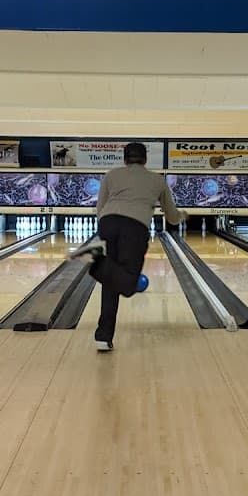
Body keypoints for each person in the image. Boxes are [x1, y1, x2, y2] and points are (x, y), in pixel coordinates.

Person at [71, 142, 183, 352]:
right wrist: (182, 216)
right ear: (145, 160)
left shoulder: (111, 175)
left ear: (124, 159)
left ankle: (104, 336)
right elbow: (172, 217)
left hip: (108, 222)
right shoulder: (157, 179)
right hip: (135, 228)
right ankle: (95, 263)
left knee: (111, 281)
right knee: (128, 282)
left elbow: (100, 206)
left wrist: (106, 229)